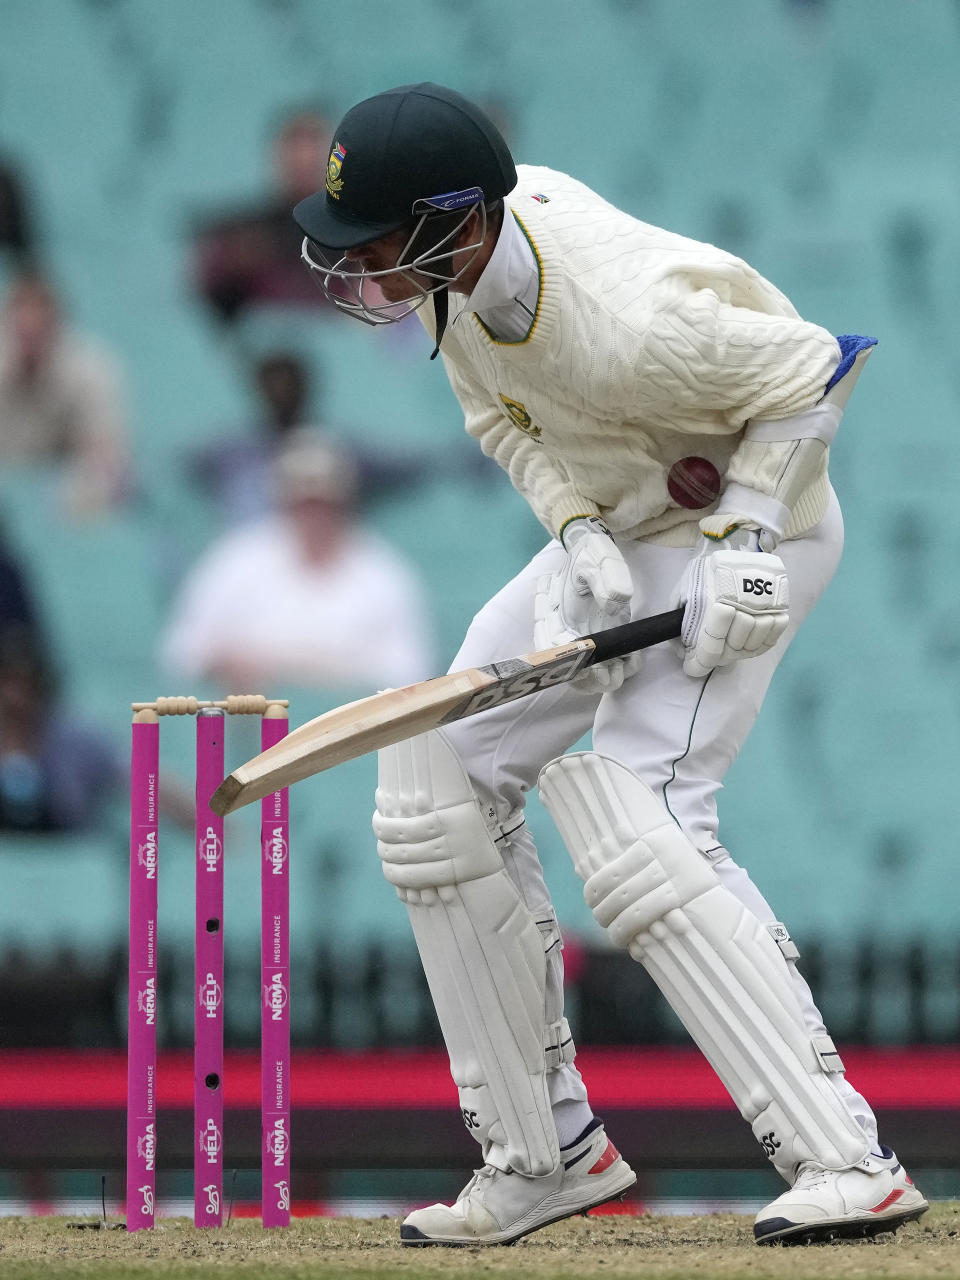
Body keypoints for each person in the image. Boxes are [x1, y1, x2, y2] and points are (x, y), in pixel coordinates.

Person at [290, 83, 928, 1248]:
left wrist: (741, 532)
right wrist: (579, 531)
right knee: (434, 772)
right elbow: (504, 424)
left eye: (379, 242)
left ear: (457, 218)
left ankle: (850, 1157)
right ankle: (544, 1153)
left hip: (751, 529)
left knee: (642, 817)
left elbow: (816, 368)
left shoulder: (628, 315)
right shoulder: (462, 284)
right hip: (620, 527)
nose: (364, 271)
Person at [159, 430, 434, 692]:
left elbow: (409, 675)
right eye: (303, 501)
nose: (314, 514)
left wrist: (312, 672)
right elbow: (183, 653)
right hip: (253, 730)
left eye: (324, 501)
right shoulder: (236, 559)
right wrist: (225, 665)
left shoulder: (384, 573)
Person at [190, 108, 340, 327]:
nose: (304, 157)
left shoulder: (362, 229)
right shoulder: (241, 234)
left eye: (313, 143)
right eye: (295, 144)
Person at [0, 272, 131, 518]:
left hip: (59, 500)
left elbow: (108, 454)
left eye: (38, 330)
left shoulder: (91, 370)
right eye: (21, 332)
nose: (29, 341)